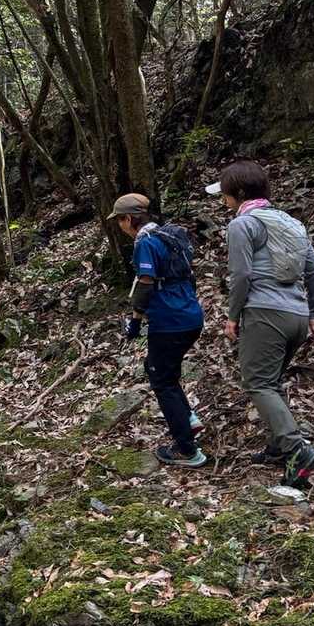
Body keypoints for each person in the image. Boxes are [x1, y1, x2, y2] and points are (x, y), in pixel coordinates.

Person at [208, 161, 314, 487]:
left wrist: (233, 316)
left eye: (225, 194)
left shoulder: (242, 224)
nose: (224, 200)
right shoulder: (291, 223)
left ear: (239, 193)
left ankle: (297, 449)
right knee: (270, 381)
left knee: (258, 382)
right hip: (297, 316)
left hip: (264, 313)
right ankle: (278, 447)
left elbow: (241, 274)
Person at [109, 193, 207, 466]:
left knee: (161, 379)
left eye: (120, 220)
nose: (120, 226)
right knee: (163, 370)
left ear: (129, 219)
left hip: (169, 320)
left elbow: (146, 281)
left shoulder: (146, 243)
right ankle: (188, 419)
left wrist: (135, 320)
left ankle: (187, 450)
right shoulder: (169, 237)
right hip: (191, 315)